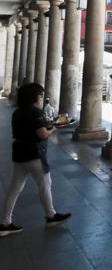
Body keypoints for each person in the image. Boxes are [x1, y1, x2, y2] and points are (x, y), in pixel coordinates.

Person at [1, 83, 71, 236]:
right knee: (45, 184)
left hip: (19, 153)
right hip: (34, 154)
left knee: (14, 188)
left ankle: (5, 223)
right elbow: (43, 135)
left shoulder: (17, 112)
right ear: (33, 97)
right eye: (40, 94)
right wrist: (55, 128)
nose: (41, 97)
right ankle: (51, 216)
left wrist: (47, 125)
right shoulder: (35, 113)